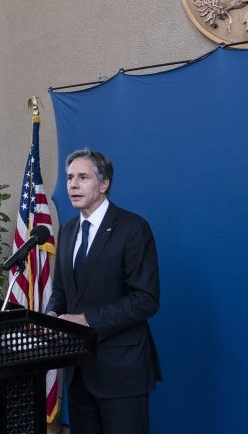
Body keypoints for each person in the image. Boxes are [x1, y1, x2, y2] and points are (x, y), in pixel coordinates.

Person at [45, 150, 161, 434]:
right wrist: (52, 314)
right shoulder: (67, 230)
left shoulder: (133, 228)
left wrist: (87, 320)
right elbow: (61, 289)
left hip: (122, 371)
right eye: (70, 177)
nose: (73, 185)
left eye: (83, 177)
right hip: (78, 369)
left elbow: (146, 299)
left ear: (104, 183)